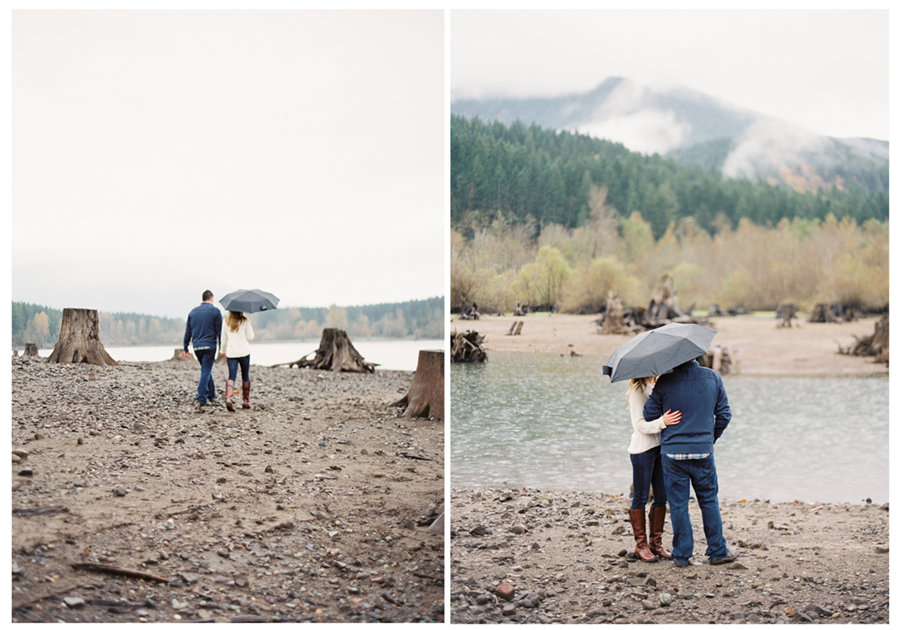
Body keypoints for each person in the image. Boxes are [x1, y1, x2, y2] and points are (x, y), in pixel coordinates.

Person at [643, 357, 737, 567]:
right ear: (694, 355)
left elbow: (649, 416)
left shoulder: (665, 382)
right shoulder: (713, 377)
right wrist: (710, 438)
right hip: (703, 452)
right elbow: (724, 415)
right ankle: (717, 551)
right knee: (709, 501)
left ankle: (682, 555)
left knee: (678, 504)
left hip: (673, 454)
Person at [626, 376, 681, 562]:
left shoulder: (656, 385)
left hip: (660, 449)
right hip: (642, 450)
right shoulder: (637, 390)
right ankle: (640, 545)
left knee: (662, 496)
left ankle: (656, 543)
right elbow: (639, 425)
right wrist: (663, 422)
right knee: (641, 496)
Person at [183, 290, 223, 409]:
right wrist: (222, 348)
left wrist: (185, 347)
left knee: (206, 369)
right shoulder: (215, 311)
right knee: (205, 370)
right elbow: (219, 332)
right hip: (209, 345)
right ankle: (201, 397)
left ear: (202, 299)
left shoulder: (193, 312)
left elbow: (188, 331)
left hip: (196, 346)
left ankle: (211, 395)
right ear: (212, 299)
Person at [220, 310, 254, 412]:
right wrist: (251, 326)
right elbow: (250, 337)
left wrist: (222, 350)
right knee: (245, 375)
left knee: (232, 376)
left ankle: (228, 398)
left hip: (231, 353)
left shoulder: (226, 321)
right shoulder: (245, 320)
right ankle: (245, 401)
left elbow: (223, 338)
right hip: (244, 352)